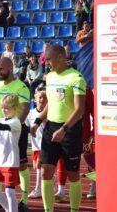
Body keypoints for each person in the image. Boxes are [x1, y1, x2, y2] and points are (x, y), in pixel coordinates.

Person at [30, 44, 86, 212]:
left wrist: (64, 130)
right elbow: (51, 104)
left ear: (61, 57)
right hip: (50, 128)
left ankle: (74, 210)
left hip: (71, 130)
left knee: (73, 175)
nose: (46, 62)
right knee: (46, 171)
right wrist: (38, 121)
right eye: (45, 59)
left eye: (48, 59)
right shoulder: (50, 77)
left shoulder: (76, 78)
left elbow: (79, 110)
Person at [0, 57, 30, 212]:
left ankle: (24, 200)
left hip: (16, 130)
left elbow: (25, 109)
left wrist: (16, 127)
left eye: (1, 69)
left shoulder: (21, 86)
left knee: (22, 165)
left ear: (10, 68)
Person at [26, 87, 47, 199]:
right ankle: (47, 184)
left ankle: (38, 189)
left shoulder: (49, 113)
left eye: (44, 98)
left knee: (41, 166)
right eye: (40, 97)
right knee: (37, 167)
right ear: (34, 99)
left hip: (47, 145)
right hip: (36, 145)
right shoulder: (30, 113)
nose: (42, 100)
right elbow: (26, 127)